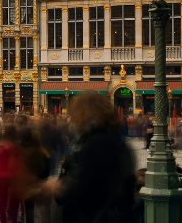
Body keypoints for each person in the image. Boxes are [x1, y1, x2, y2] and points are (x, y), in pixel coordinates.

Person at [41, 93, 136, 223]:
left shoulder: (97, 144)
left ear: (85, 115)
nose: (74, 120)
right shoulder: (116, 141)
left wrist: (58, 188)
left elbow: (85, 192)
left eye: (77, 114)